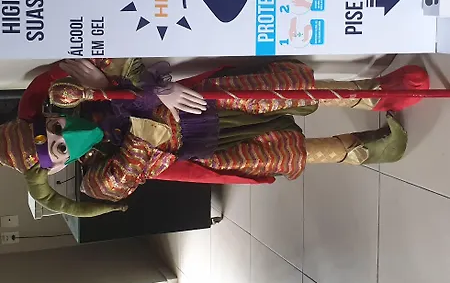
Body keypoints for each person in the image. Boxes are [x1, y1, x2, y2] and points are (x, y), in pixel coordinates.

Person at [0, 57, 429, 217]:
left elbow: (123, 60)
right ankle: (368, 150)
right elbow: (130, 167)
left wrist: (139, 85)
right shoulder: (94, 179)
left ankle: (375, 93)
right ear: (56, 166)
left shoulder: (77, 96)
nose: (66, 135)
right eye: (59, 148)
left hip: (201, 104)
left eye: (54, 128)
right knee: (283, 153)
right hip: (205, 148)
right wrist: (129, 111)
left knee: (279, 92)